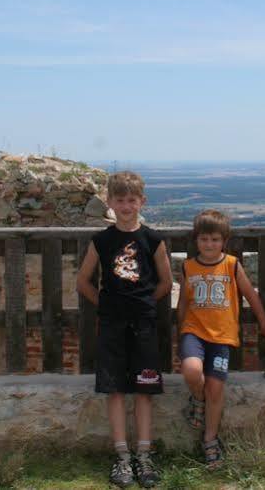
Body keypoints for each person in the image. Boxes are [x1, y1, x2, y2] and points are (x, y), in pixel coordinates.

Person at [75, 171, 173, 488]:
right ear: (111, 203)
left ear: (142, 201)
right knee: (115, 388)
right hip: (112, 325)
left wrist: (143, 302)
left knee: (144, 389)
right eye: (120, 200)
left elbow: (166, 282)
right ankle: (121, 457)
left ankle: (143, 455)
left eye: (132, 199)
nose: (126, 205)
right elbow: (83, 280)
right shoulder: (102, 241)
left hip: (143, 323)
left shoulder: (152, 239)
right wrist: (104, 305)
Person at [177, 209, 265, 469]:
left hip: (222, 337)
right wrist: (181, 329)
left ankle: (210, 440)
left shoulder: (232, 265)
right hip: (194, 332)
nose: (209, 244)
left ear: (224, 240)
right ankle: (197, 399)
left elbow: (251, 295)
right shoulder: (188, 266)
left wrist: (264, 324)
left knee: (216, 388)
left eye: (214, 239)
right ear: (196, 240)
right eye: (204, 239)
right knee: (191, 371)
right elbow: (183, 303)